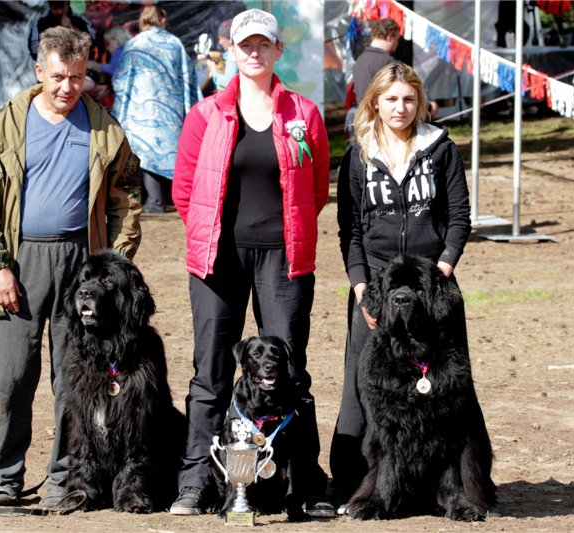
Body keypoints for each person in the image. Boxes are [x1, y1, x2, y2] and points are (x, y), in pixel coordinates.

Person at [0, 26, 142, 508]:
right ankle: (5, 478)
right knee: (11, 377)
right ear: (39, 70)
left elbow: (127, 197)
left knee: (76, 380)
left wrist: (113, 266)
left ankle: (68, 477)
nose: (68, 87)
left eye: (78, 77)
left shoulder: (105, 127)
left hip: (82, 265)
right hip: (20, 261)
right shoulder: (7, 125)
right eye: (59, 76)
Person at [169, 8, 334, 518]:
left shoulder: (304, 114)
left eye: (264, 44)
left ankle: (305, 483)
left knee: (290, 371)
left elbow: (317, 186)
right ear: (231, 50)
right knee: (211, 372)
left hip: (284, 258)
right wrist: (211, 235)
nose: (255, 52)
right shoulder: (205, 114)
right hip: (219, 257)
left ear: (278, 50)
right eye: (246, 45)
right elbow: (184, 189)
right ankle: (196, 482)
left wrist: (289, 232)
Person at [330, 62, 472, 513]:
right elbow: (350, 230)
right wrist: (361, 289)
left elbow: (459, 218)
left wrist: (440, 274)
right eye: (391, 99)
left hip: (434, 287)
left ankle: (454, 489)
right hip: (376, 287)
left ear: (420, 102)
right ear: (375, 102)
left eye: (409, 99)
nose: (400, 108)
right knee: (363, 388)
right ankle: (354, 484)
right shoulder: (358, 155)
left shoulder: (441, 148)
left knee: (449, 393)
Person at [112, 5, 199, 214]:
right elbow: (188, 76)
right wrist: (188, 105)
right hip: (171, 108)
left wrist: (123, 104)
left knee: (146, 151)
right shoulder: (175, 43)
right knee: (168, 151)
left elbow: (121, 78)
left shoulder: (134, 44)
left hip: (140, 107)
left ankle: (155, 201)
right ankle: (171, 199)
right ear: (162, 20)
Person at [351, 18, 400, 105]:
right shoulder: (386, 61)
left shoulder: (360, 59)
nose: (397, 44)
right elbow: (398, 92)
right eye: (396, 40)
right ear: (389, 37)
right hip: (378, 111)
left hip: (362, 111)